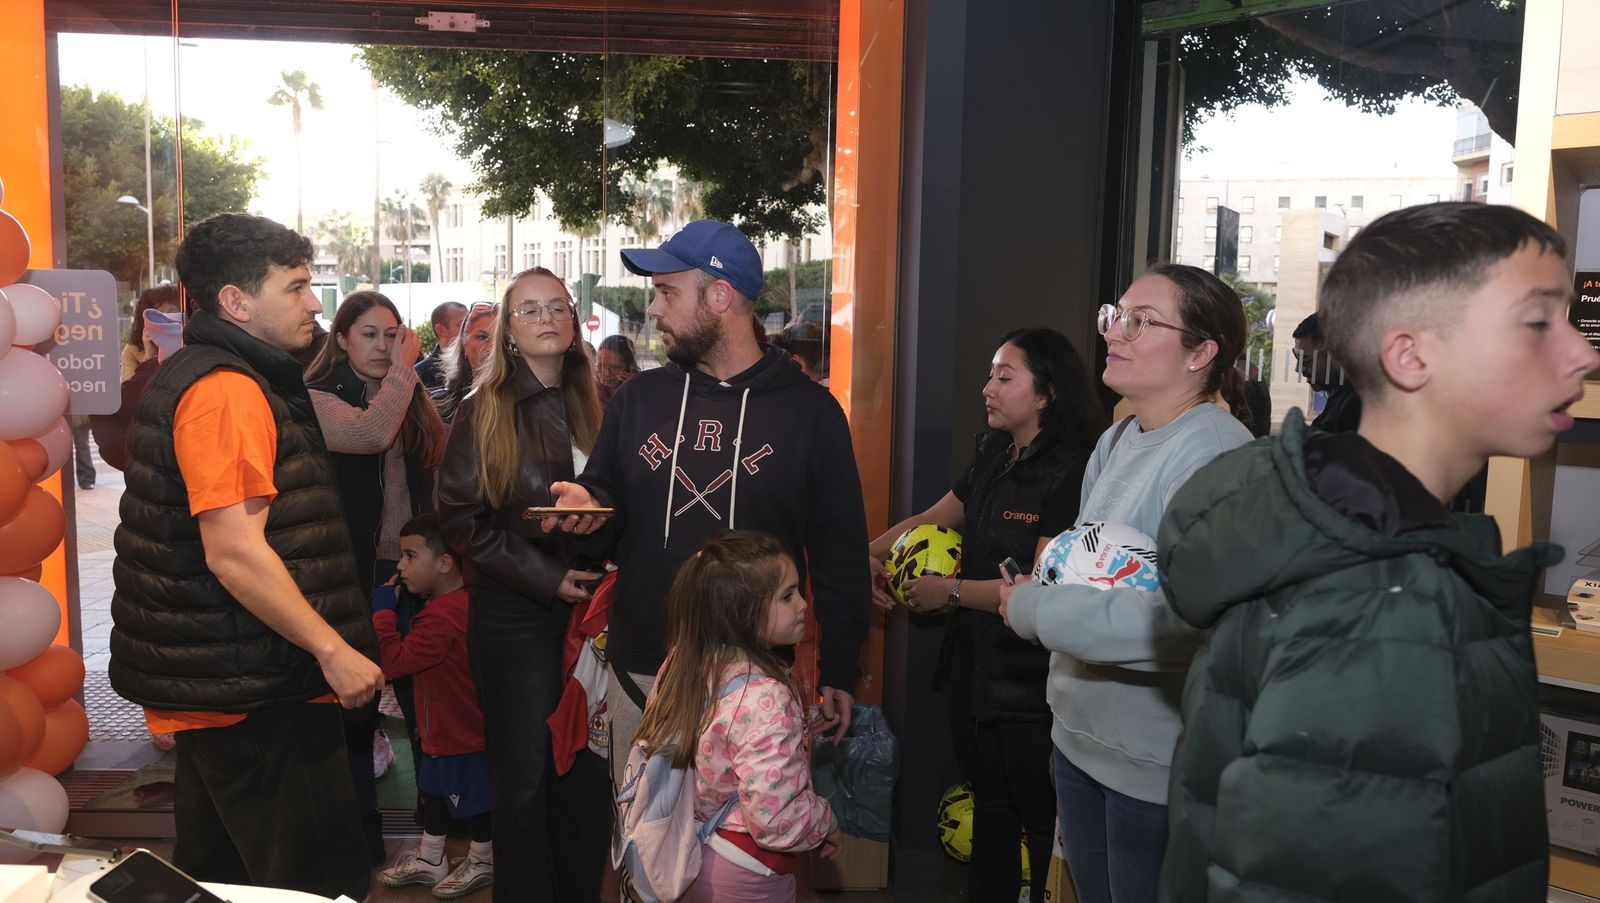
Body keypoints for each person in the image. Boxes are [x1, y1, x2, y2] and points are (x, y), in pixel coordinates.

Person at [1158, 203, 1599, 901]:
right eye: (1539, 322)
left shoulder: (1368, 547)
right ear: (1411, 355)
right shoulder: (1376, 609)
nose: (1583, 352)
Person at [108, 213, 383, 901]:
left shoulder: (213, 374)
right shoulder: (226, 390)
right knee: (313, 887)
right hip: (259, 691)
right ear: (235, 301)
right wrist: (332, 648)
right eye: (295, 287)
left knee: (225, 881)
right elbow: (234, 552)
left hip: (232, 685)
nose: (315, 302)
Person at [542, 220, 871, 785]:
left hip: (755, 684)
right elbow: (606, 519)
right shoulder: (638, 400)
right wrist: (585, 510)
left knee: (746, 861)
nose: (656, 309)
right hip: (643, 672)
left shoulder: (812, 415)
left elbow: (840, 551)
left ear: (720, 296)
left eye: (668, 292)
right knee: (643, 860)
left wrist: (841, 666)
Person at [997, 264, 1254, 903]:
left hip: (1155, 763)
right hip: (1082, 739)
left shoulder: (1218, 455)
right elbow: (1086, 569)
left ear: (1201, 353)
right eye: (1118, 314)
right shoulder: (1116, 440)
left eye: (1144, 322)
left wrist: (1033, 609)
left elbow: (1182, 621)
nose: (1117, 331)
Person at [868, 327, 1106, 903]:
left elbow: (1042, 585)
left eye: (1005, 377)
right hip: (975, 671)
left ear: (1046, 393)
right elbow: (935, 516)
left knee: (1040, 821)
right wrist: (865, 556)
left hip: (1031, 682)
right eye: (990, 375)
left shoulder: (1072, 470)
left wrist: (948, 593)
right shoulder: (994, 453)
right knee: (991, 812)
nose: (988, 389)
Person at [436, 266, 610, 902]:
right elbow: (459, 519)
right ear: (508, 330)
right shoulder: (483, 410)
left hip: (592, 616)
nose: (545, 318)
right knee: (527, 777)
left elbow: (618, 505)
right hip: (515, 616)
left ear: (573, 319)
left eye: (556, 307)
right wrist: (547, 576)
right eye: (529, 310)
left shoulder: (598, 403)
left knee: (586, 777)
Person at [304, 290, 447, 861]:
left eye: (392, 334)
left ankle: (438, 821)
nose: (384, 346)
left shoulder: (409, 397)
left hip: (414, 567)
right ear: (341, 339)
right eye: (369, 334)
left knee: (424, 700)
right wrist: (407, 374)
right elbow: (368, 434)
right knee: (355, 706)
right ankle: (359, 820)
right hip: (350, 570)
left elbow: (430, 478)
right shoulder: (319, 396)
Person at [634, 530, 842, 902]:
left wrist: (799, 725)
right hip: (747, 869)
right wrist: (827, 821)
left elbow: (716, 740)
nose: (803, 605)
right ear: (744, 612)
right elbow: (775, 820)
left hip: (690, 854)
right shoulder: (767, 696)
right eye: (787, 595)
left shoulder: (682, 664)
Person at [374, 513, 494, 899]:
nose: (400, 565)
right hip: (443, 729)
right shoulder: (459, 604)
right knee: (435, 792)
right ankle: (431, 857)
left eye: (410, 556)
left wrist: (382, 614)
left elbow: (394, 663)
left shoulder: (442, 617)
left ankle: (483, 858)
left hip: (459, 734)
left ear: (444, 564)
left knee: (473, 800)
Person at [1292, 312, 1361, 433]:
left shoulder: (1356, 404)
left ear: (1335, 355)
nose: (1298, 368)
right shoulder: (1341, 396)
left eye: (1305, 360)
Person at [432, 301, 498, 424]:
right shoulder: (439, 407)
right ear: (464, 344)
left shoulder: (528, 406)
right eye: (482, 337)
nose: (491, 347)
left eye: (499, 339)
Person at [417, 301, 468, 391]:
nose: (468, 330)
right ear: (441, 330)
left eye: (469, 324)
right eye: (462, 325)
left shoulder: (475, 365)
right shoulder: (419, 375)